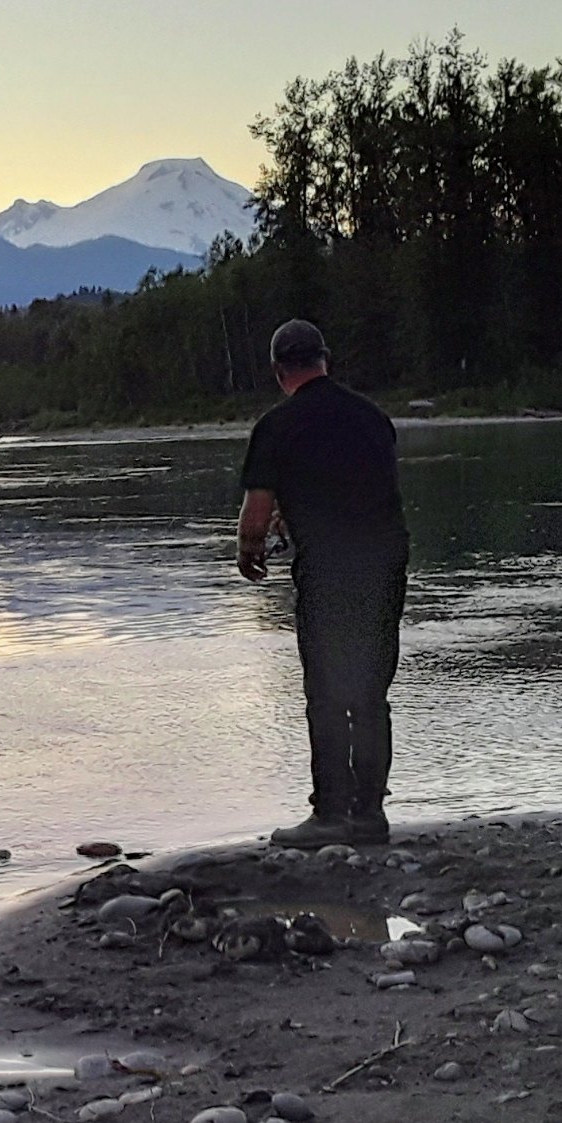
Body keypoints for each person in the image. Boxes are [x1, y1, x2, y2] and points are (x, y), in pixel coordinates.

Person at [234, 318, 409, 848]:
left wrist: (250, 552)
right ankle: (371, 815)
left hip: (328, 570)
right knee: (371, 693)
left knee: (328, 693)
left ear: (278, 370)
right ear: (325, 359)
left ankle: (330, 814)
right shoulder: (373, 418)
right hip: (384, 563)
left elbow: (255, 515)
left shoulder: (276, 426)